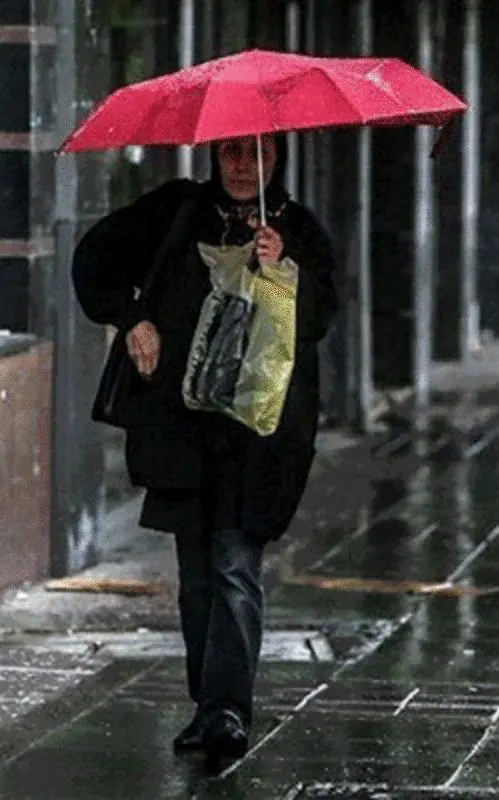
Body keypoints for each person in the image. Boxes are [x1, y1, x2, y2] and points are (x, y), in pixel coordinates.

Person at [72, 135, 337, 768]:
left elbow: (323, 315)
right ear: (214, 157)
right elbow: (96, 260)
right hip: (181, 430)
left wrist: (285, 268)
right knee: (195, 579)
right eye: (231, 155)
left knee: (233, 566)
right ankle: (206, 706)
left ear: (279, 159)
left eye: (258, 156)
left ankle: (227, 710)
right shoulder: (177, 211)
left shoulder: (297, 229)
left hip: (259, 436)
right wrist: (132, 318)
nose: (243, 168)